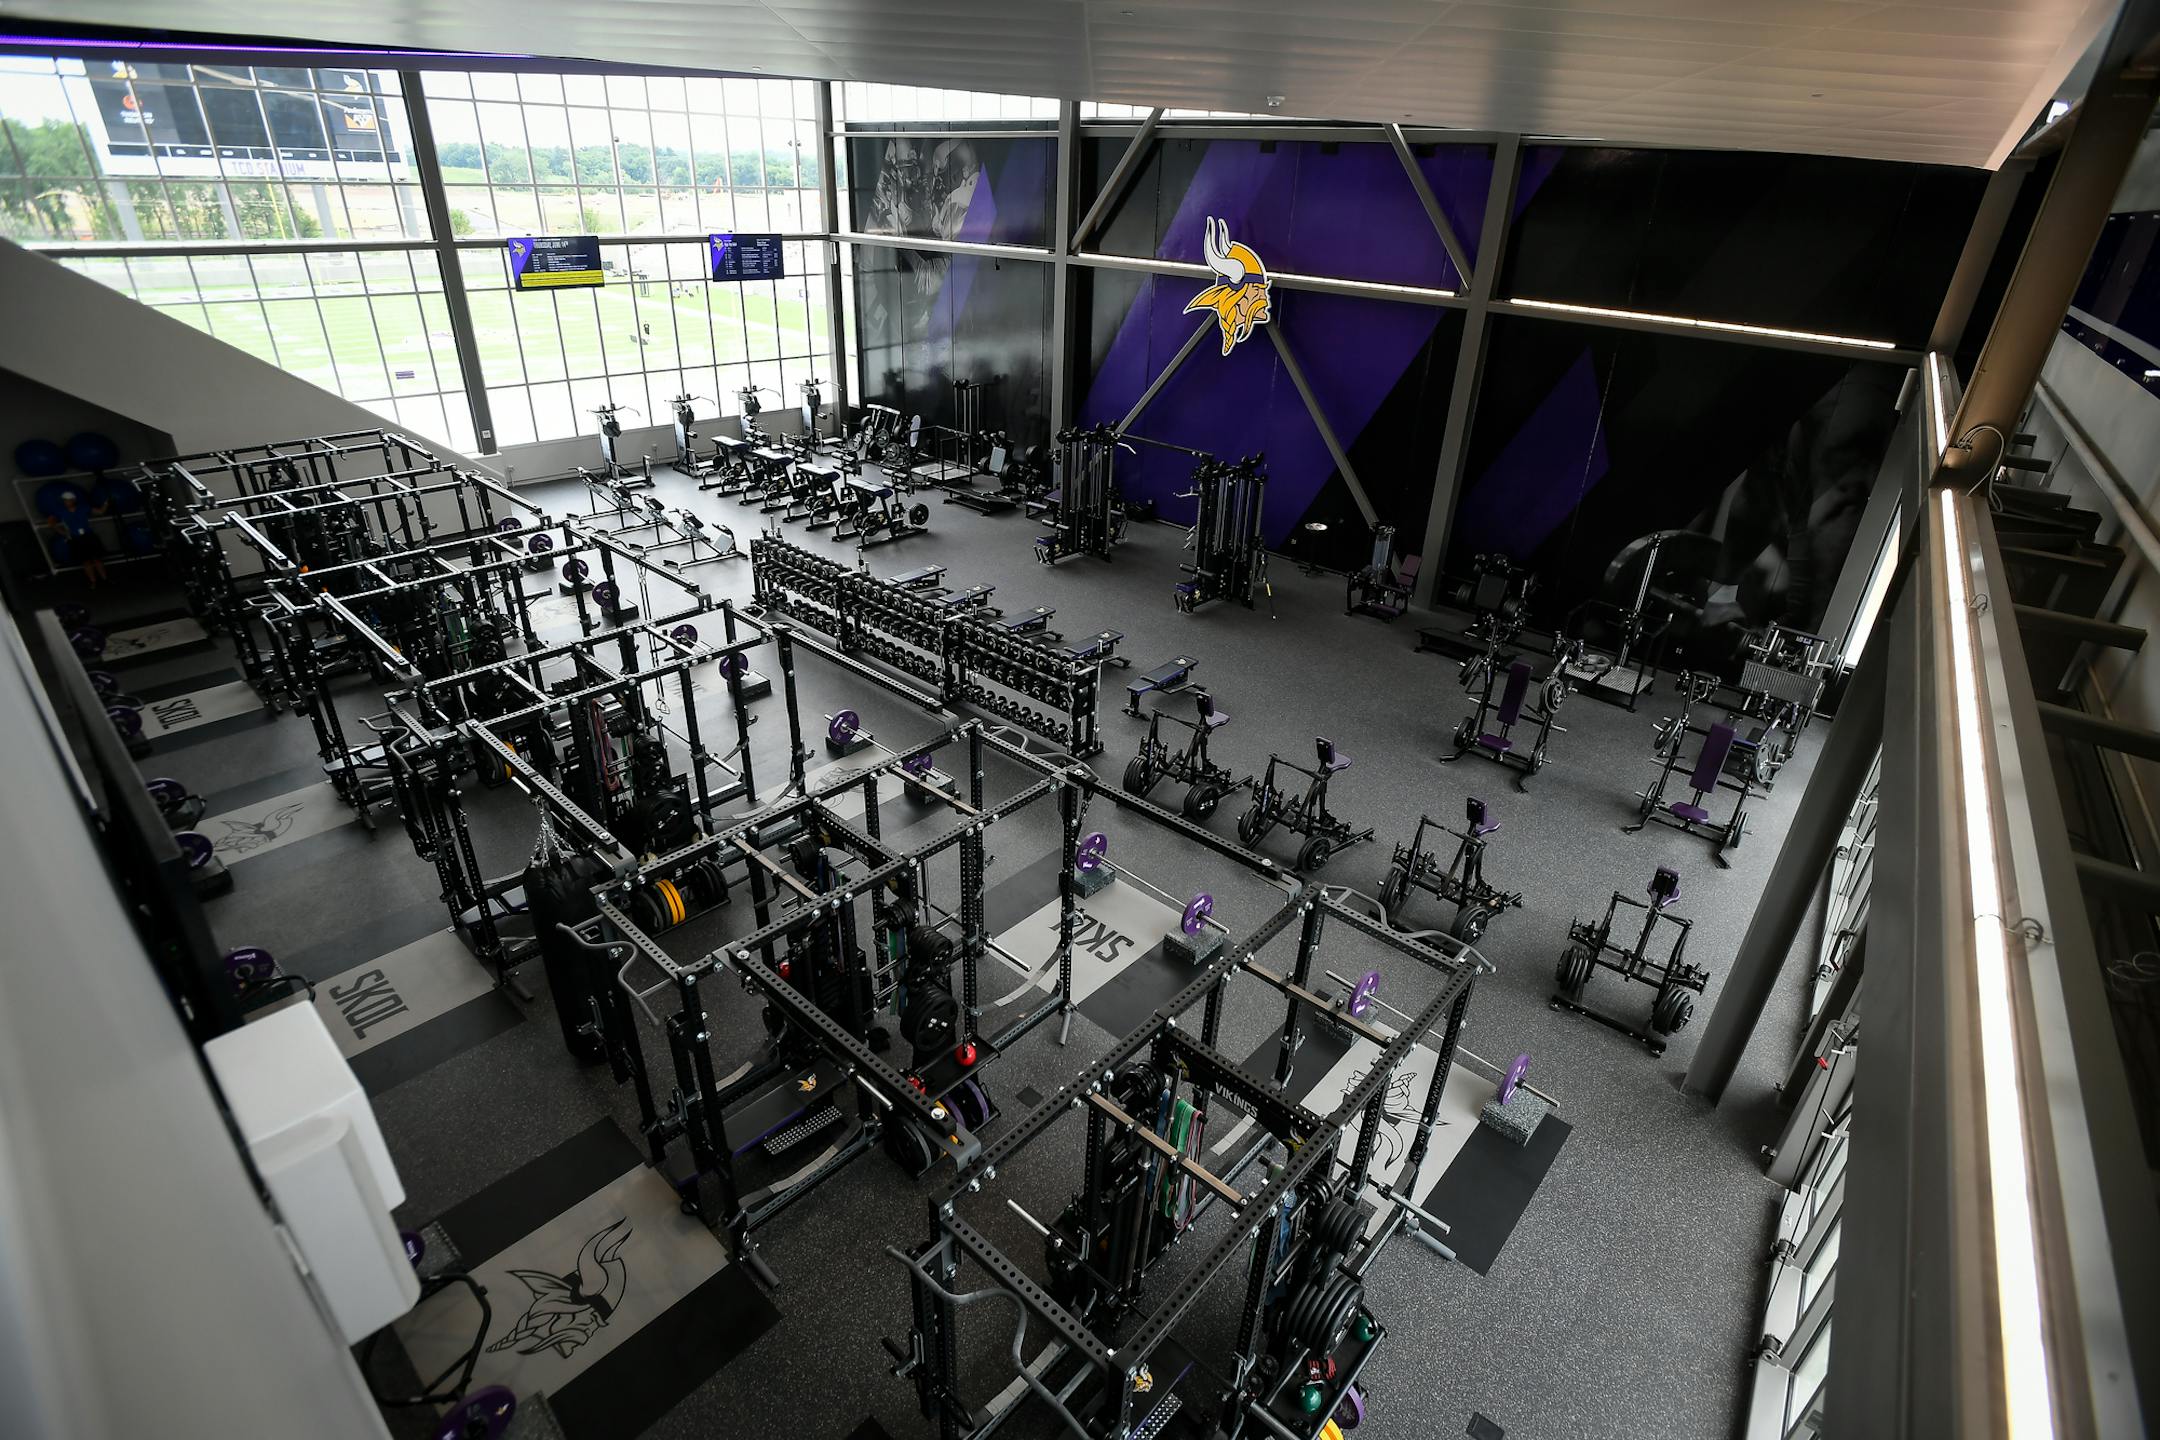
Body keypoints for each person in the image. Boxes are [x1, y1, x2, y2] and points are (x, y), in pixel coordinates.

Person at [44, 487, 112, 587]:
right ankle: (93, 581)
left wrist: (106, 503)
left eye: (69, 500)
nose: (67, 502)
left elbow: (100, 512)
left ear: (74, 500)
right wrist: (61, 531)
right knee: (86, 561)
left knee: (97, 559)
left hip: (88, 536)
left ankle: (105, 579)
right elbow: (50, 521)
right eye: (65, 500)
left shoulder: (83, 507)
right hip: (75, 538)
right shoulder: (60, 511)